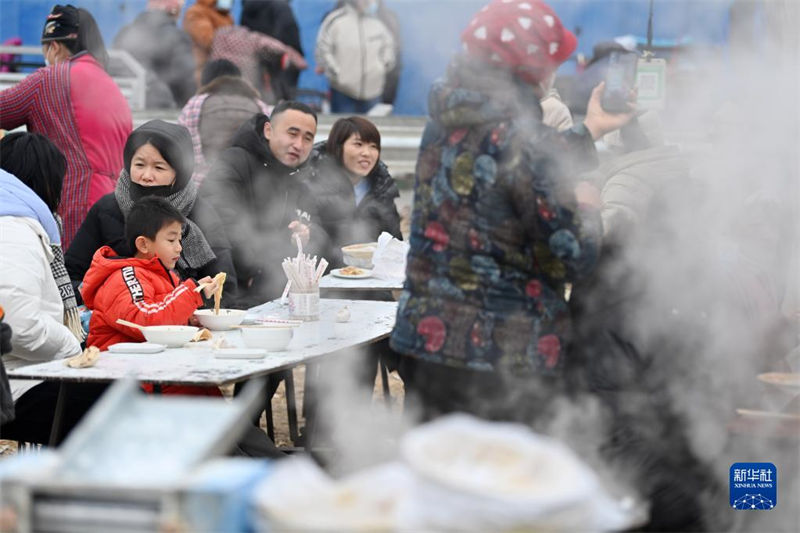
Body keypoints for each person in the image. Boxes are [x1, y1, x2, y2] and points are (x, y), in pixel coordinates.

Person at [389, 0, 633, 423]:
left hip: (426, 342)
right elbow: (573, 253)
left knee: (438, 476)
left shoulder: (443, 122)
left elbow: (507, 166)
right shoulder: (523, 138)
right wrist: (589, 207)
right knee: (499, 481)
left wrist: (589, 130)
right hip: (499, 355)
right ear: (532, 67)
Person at [0, 134, 105, 445]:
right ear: (46, 181)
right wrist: (71, 345)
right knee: (114, 404)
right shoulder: (13, 229)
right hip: (15, 386)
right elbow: (17, 328)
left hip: (18, 375)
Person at [0, 4, 132, 248]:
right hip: (116, 207)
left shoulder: (50, 79)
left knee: (69, 282)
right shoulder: (112, 86)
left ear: (55, 46)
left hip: (75, 204)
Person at [66, 120, 237, 306]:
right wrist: (113, 298)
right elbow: (70, 277)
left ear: (179, 172)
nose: (147, 176)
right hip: (117, 323)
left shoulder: (200, 212)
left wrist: (186, 309)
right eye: (139, 165)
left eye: (159, 167)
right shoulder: (107, 209)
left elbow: (224, 287)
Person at [80, 197, 221, 392]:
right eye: (171, 240)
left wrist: (192, 319)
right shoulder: (125, 276)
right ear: (144, 245)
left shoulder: (165, 275)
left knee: (207, 387)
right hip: (125, 382)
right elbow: (147, 322)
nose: (179, 247)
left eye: (180, 239)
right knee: (198, 390)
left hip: (158, 370)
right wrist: (192, 292)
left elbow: (167, 313)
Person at [200, 100, 325, 307]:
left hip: (277, 293)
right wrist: (257, 269)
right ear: (268, 130)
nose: (299, 145)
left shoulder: (300, 179)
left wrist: (307, 235)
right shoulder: (234, 161)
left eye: (307, 138)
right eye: (292, 134)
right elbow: (219, 219)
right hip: (232, 292)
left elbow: (319, 229)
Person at [302, 115, 401, 266]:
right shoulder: (313, 184)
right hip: (326, 279)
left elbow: (394, 242)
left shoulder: (383, 188)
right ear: (338, 147)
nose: (367, 153)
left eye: (373, 147)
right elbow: (308, 242)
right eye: (358, 144)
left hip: (373, 280)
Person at [179, 59, 271, 183]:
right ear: (238, 78)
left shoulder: (195, 104)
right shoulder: (259, 105)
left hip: (203, 185)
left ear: (206, 80)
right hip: (248, 186)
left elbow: (181, 146)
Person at [315, 0, 396, 113]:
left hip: (373, 93)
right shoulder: (335, 20)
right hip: (342, 93)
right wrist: (337, 74)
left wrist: (381, 69)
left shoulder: (379, 22)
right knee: (345, 129)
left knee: (371, 129)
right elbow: (323, 50)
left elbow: (389, 48)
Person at [113, 0, 196, 108]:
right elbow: (187, 85)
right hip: (161, 113)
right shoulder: (177, 37)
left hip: (124, 110)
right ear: (174, 10)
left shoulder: (124, 33)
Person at [209, 24, 307, 103]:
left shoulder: (218, 36)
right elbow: (276, 47)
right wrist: (297, 60)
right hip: (246, 81)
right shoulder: (252, 38)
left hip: (217, 81)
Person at [241, 0, 305, 98]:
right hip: (279, 61)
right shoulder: (281, 6)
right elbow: (289, 30)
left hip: (253, 62)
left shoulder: (247, 8)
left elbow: (245, 33)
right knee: (281, 102)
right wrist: (297, 54)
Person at [183, 0, 235, 84]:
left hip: (221, 68)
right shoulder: (196, 12)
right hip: (202, 67)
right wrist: (233, 43)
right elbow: (206, 39)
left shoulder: (226, 15)